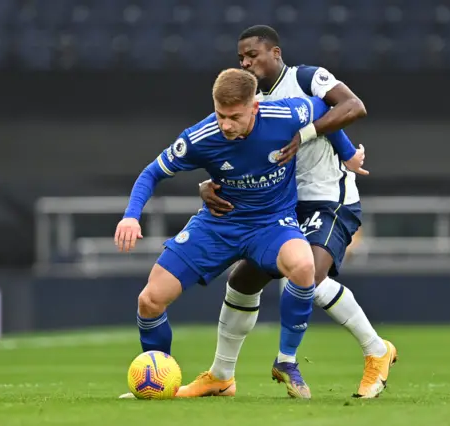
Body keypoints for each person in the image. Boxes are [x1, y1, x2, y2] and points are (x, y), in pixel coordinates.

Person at [183, 25, 397, 400]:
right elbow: (225, 149)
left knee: (308, 278)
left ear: (275, 53)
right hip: (284, 206)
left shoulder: (306, 79)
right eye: (241, 58)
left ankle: (376, 351)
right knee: (242, 281)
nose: (246, 62)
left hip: (330, 198)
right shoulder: (249, 103)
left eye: (252, 55)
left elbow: (352, 107)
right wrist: (206, 184)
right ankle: (221, 375)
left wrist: (312, 137)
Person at [116, 68, 356, 400]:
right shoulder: (200, 137)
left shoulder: (286, 114)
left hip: (271, 223)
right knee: (150, 300)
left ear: (254, 107)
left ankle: (286, 361)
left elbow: (325, 111)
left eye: (234, 116)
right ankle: (159, 379)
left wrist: (346, 153)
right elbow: (151, 173)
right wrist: (131, 217)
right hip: (219, 225)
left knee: (303, 267)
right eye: (220, 115)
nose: (226, 124)